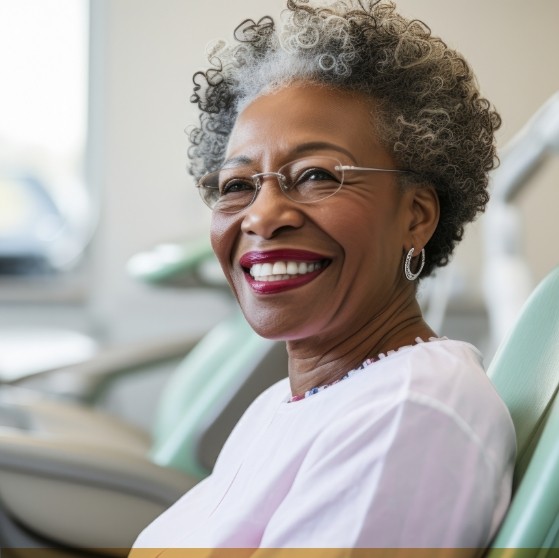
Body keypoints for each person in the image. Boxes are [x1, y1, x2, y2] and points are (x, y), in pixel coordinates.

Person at [132, 0, 516, 552]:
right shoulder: (283, 405)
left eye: (314, 175)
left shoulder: (407, 413)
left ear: (417, 215)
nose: (261, 216)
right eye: (237, 186)